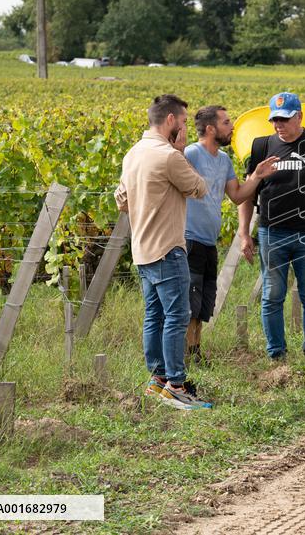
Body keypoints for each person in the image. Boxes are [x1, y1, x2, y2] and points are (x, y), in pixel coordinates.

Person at [115, 94, 212, 410]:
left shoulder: (133, 154)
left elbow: (122, 200)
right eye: (183, 122)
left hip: (142, 248)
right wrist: (181, 152)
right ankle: (175, 384)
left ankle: (156, 380)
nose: (184, 128)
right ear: (170, 121)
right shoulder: (169, 156)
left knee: (153, 315)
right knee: (177, 315)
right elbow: (199, 188)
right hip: (168, 248)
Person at [237, 92, 305, 364]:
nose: (278, 125)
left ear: (299, 116)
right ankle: (277, 357)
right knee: (272, 296)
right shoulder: (261, 146)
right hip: (272, 233)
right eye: (274, 119)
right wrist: (243, 233)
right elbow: (248, 193)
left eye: (284, 119)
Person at [183, 105, 278, 361]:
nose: (232, 126)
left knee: (203, 304)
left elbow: (237, 196)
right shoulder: (190, 153)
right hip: (188, 239)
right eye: (226, 123)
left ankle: (195, 352)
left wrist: (257, 176)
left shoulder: (223, 160)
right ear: (211, 128)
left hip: (208, 240)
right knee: (189, 302)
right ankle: (186, 357)